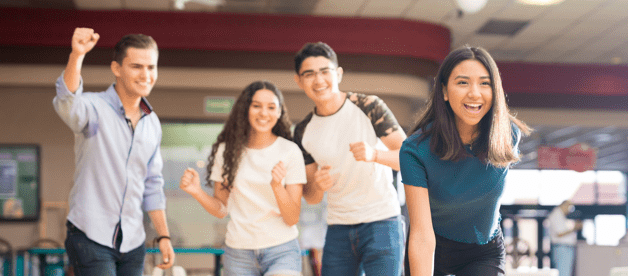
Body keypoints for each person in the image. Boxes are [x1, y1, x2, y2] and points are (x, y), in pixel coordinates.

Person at [52, 27, 174, 275]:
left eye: (151, 67)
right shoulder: (94, 108)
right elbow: (68, 103)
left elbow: (152, 184)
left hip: (133, 241)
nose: (146, 74)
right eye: (137, 66)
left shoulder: (152, 123)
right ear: (116, 69)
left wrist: (163, 236)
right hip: (90, 235)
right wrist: (77, 55)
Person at [402, 46, 530, 276]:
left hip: (484, 250)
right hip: (434, 246)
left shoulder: (507, 134)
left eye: (484, 83)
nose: (474, 93)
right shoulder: (416, 150)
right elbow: (421, 235)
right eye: (462, 82)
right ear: (444, 91)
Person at [292, 42, 407, 276]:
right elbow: (312, 197)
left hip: (382, 221)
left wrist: (375, 155)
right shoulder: (303, 130)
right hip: (338, 228)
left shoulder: (369, 107)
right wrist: (318, 185)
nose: (319, 80)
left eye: (325, 71)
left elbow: (410, 159)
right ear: (299, 80)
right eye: (309, 74)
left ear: (338, 74)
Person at [179, 81, 306, 276]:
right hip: (239, 253)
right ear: (245, 109)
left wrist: (277, 187)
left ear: (279, 113)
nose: (264, 113)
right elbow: (222, 209)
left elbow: (292, 218)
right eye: (257, 106)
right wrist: (197, 192)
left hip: (282, 249)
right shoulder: (226, 151)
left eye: (271, 107)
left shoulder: (290, 151)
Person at [548, 200, 582, 276]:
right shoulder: (556, 215)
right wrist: (574, 228)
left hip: (565, 248)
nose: (569, 210)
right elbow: (560, 233)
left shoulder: (561, 216)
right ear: (564, 205)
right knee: (563, 273)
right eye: (569, 208)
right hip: (562, 248)